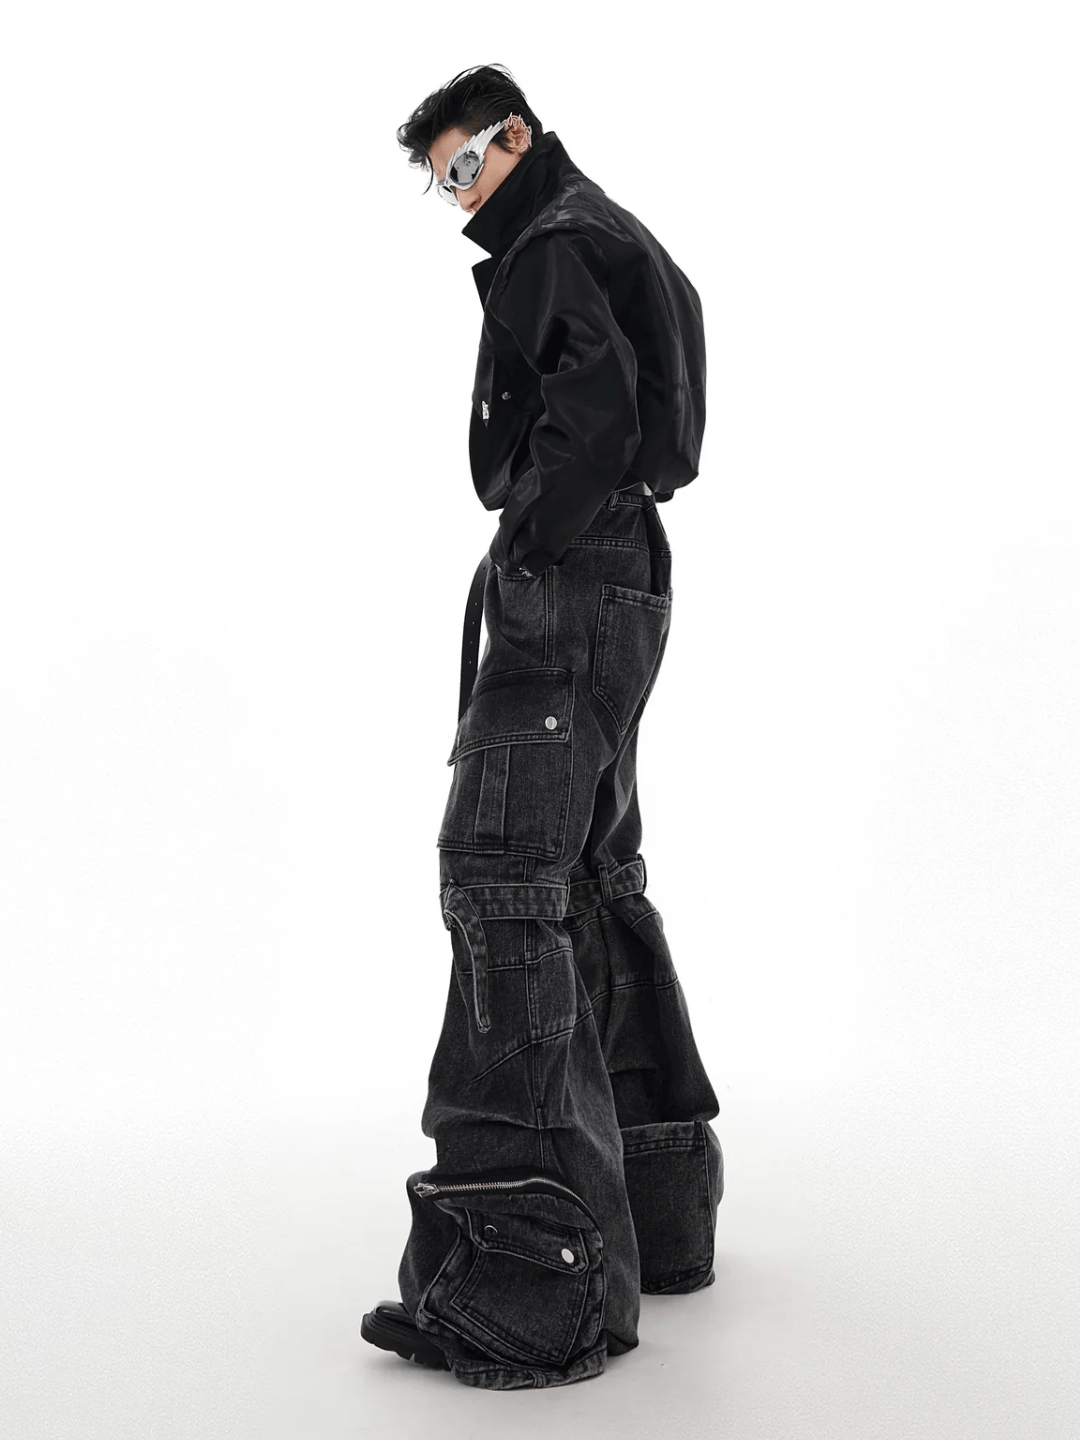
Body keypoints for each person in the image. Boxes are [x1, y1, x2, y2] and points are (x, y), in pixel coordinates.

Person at [360, 63, 724, 1391]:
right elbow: (654, 394)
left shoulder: (551, 245)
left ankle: (528, 1283)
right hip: (626, 571)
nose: (463, 194)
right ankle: (656, 1211)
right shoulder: (606, 227)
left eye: (469, 164)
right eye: (444, 182)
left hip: (573, 574)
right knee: (586, 869)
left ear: (516, 134)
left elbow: (599, 411)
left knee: (504, 876)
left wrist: (531, 539)